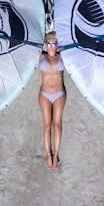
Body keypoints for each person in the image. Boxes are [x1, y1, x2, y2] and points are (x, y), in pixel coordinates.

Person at [38, 32, 65, 169]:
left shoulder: (63, 57)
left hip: (59, 95)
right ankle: (49, 155)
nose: (51, 47)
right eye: (49, 44)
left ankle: (56, 155)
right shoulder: (41, 56)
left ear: (58, 45)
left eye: (54, 44)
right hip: (45, 95)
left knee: (57, 125)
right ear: (45, 45)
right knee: (47, 125)